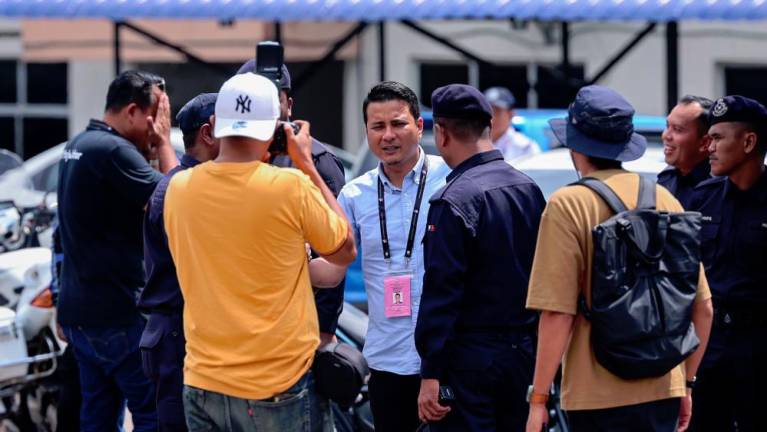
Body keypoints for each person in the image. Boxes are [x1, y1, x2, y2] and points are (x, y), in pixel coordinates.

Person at [164, 72, 356, 431]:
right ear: (276, 129)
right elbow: (344, 250)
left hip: (204, 380)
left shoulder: (179, 189)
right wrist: (308, 165)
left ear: (215, 125)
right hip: (276, 382)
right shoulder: (290, 186)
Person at [524, 85, 713, 432]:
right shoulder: (664, 199)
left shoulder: (567, 205)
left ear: (574, 144)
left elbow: (556, 313)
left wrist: (538, 400)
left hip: (595, 394)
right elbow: (703, 307)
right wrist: (686, 383)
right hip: (664, 388)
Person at [313, 81, 450, 432]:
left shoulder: (449, 179)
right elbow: (333, 270)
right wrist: (286, 263)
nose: (388, 135)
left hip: (445, 356)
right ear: (367, 132)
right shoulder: (354, 195)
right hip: (386, 359)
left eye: (398, 123)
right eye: (378, 126)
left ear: (419, 126)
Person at [415, 84, 546, 431]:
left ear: (441, 134)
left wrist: (431, 373)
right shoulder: (528, 189)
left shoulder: (453, 199)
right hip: (524, 354)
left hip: (470, 362)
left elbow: (442, 293)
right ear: (489, 126)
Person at [56, 70, 178, 431]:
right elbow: (179, 199)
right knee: (152, 415)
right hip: (118, 315)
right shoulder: (114, 151)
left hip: (82, 312)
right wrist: (166, 144)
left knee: (97, 416)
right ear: (132, 112)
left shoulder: (79, 144)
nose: (156, 127)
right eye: (154, 117)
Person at [237, 59, 347, 346]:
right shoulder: (225, 161)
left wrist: (324, 329)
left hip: (296, 328)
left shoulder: (315, 161)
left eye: (274, 100)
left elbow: (336, 250)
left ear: (289, 105)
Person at [137, 93, 219, 432]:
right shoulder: (185, 191)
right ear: (208, 133)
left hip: (173, 334)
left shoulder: (181, 184)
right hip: (177, 338)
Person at [687, 95, 767, 432]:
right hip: (709, 344)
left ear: (749, 142)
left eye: (718, 138)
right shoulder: (701, 198)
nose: (709, 148)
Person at [658, 95, 713, 208]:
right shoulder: (666, 179)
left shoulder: (724, 186)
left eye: (677, 129)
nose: (666, 136)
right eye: (667, 126)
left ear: (705, 143)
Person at [483, 86, 541, 161]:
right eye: (487, 111)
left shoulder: (525, 147)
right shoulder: (472, 145)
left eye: (497, 112)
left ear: (510, 114)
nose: (492, 118)